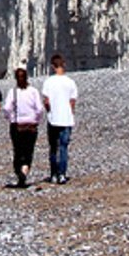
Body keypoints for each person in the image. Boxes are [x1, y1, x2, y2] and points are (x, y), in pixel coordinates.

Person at [40, 53, 79, 184]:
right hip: (66, 119)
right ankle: (62, 174)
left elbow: (46, 101)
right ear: (64, 65)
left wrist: (50, 111)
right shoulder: (70, 82)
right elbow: (72, 101)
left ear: (52, 66)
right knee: (63, 147)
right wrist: (70, 112)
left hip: (53, 119)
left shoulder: (49, 82)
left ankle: (53, 174)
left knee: (53, 147)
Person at [2, 66, 43, 188]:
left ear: (16, 79)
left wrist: (10, 118)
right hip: (31, 126)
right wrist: (36, 120)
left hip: (17, 125)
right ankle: (24, 170)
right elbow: (40, 109)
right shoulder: (33, 91)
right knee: (28, 151)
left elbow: (6, 108)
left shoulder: (13, 92)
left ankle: (19, 171)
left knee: (18, 150)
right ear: (27, 77)